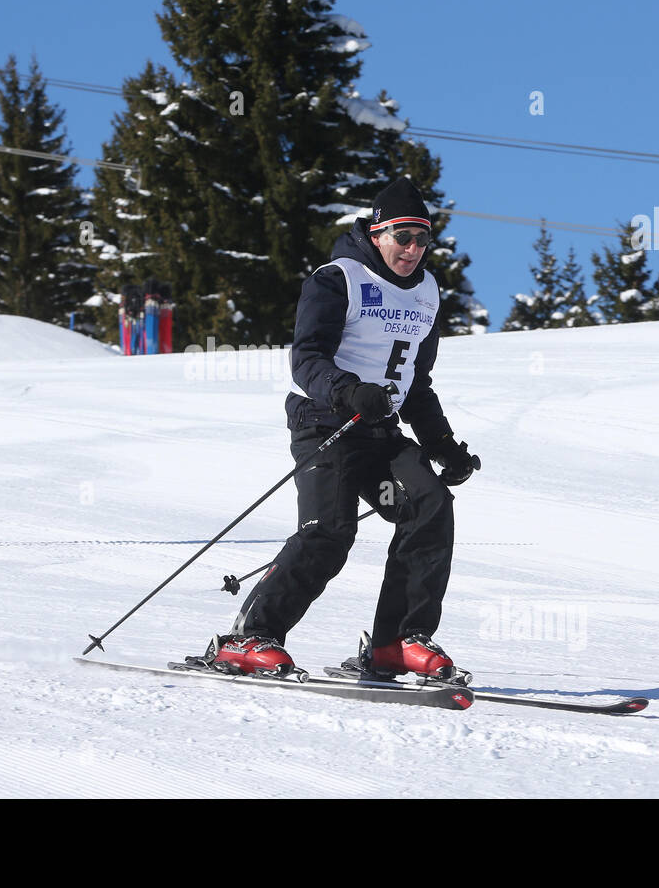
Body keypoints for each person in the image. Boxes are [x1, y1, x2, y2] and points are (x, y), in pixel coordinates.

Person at [199, 178, 480, 680]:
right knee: (329, 532)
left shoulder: (428, 292)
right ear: (376, 233)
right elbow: (306, 359)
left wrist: (442, 445)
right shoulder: (338, 278)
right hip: (325, 425)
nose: (413, 250)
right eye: (402, 236)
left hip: (381, 434)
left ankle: (396, 644)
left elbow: (415, 382)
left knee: (430, 505)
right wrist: (347, 389)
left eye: (422, 238)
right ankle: (248, 638)